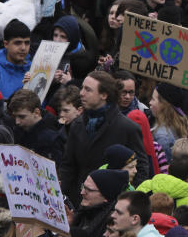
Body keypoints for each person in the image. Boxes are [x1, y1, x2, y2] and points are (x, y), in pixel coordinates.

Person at [58, 71, 149, 201]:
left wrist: (125, 199)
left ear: (104, 95)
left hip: (112, 205)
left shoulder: (127, 128)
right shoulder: (77, 125)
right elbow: (68, 166)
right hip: (80, 202)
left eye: (88, 90)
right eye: (82, 88)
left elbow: (141, 169)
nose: (81, 93)